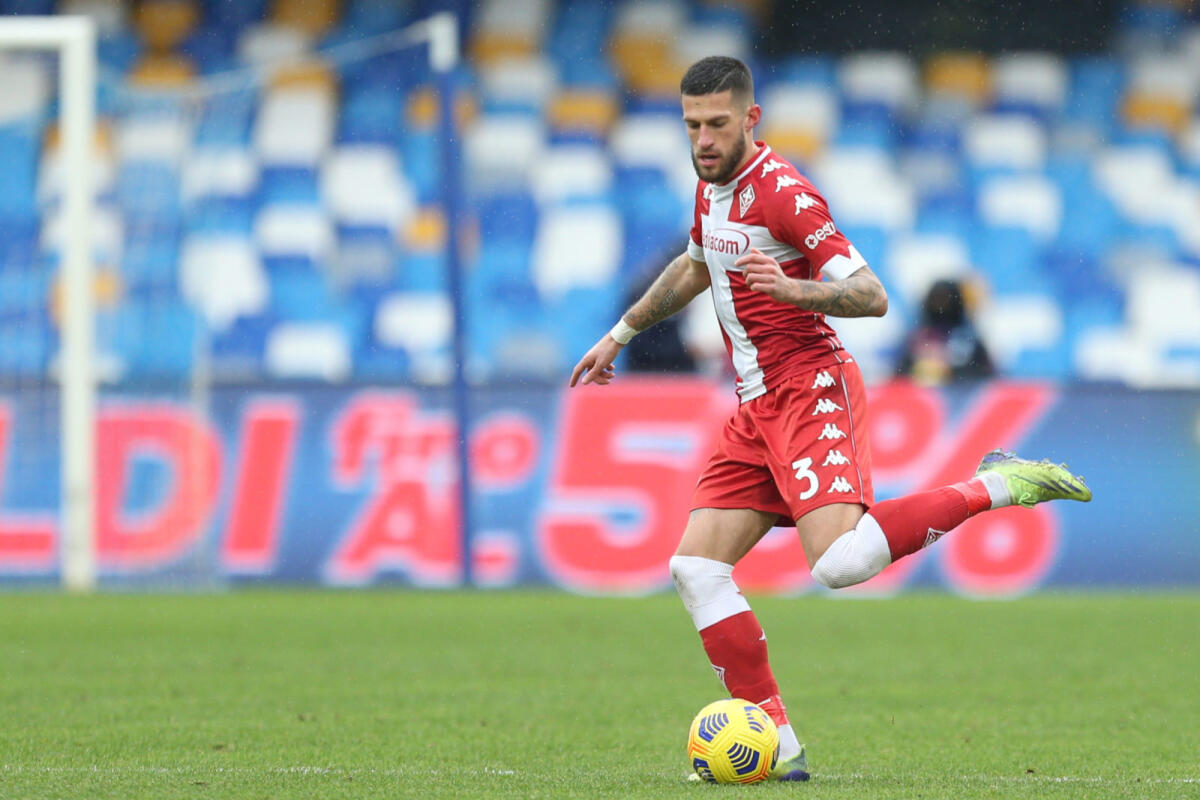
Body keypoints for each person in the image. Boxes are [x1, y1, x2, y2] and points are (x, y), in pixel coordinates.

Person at [568, 56, 1091, 782]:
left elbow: (872, 296)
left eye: (718, 124)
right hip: (756, 406)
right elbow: (695, 265)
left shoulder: (785, 195)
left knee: (840, 563)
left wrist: (791, 288)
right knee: (694, 567)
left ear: (751, 119)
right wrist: (619, 333)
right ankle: (777, 746)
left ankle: (997, 485)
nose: (704, 139)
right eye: (693, 126)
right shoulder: (710, 187)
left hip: (811, 386)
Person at [896, 278, 995, 384]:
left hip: (960, 394)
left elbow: (986, 374)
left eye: (945, 299)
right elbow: (899, 373)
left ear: (955, 302)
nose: (940, 305)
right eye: (936, 299)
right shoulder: (916, 337)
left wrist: (950, 372)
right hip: (920, 395)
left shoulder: (968, 338)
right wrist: (918, 371)